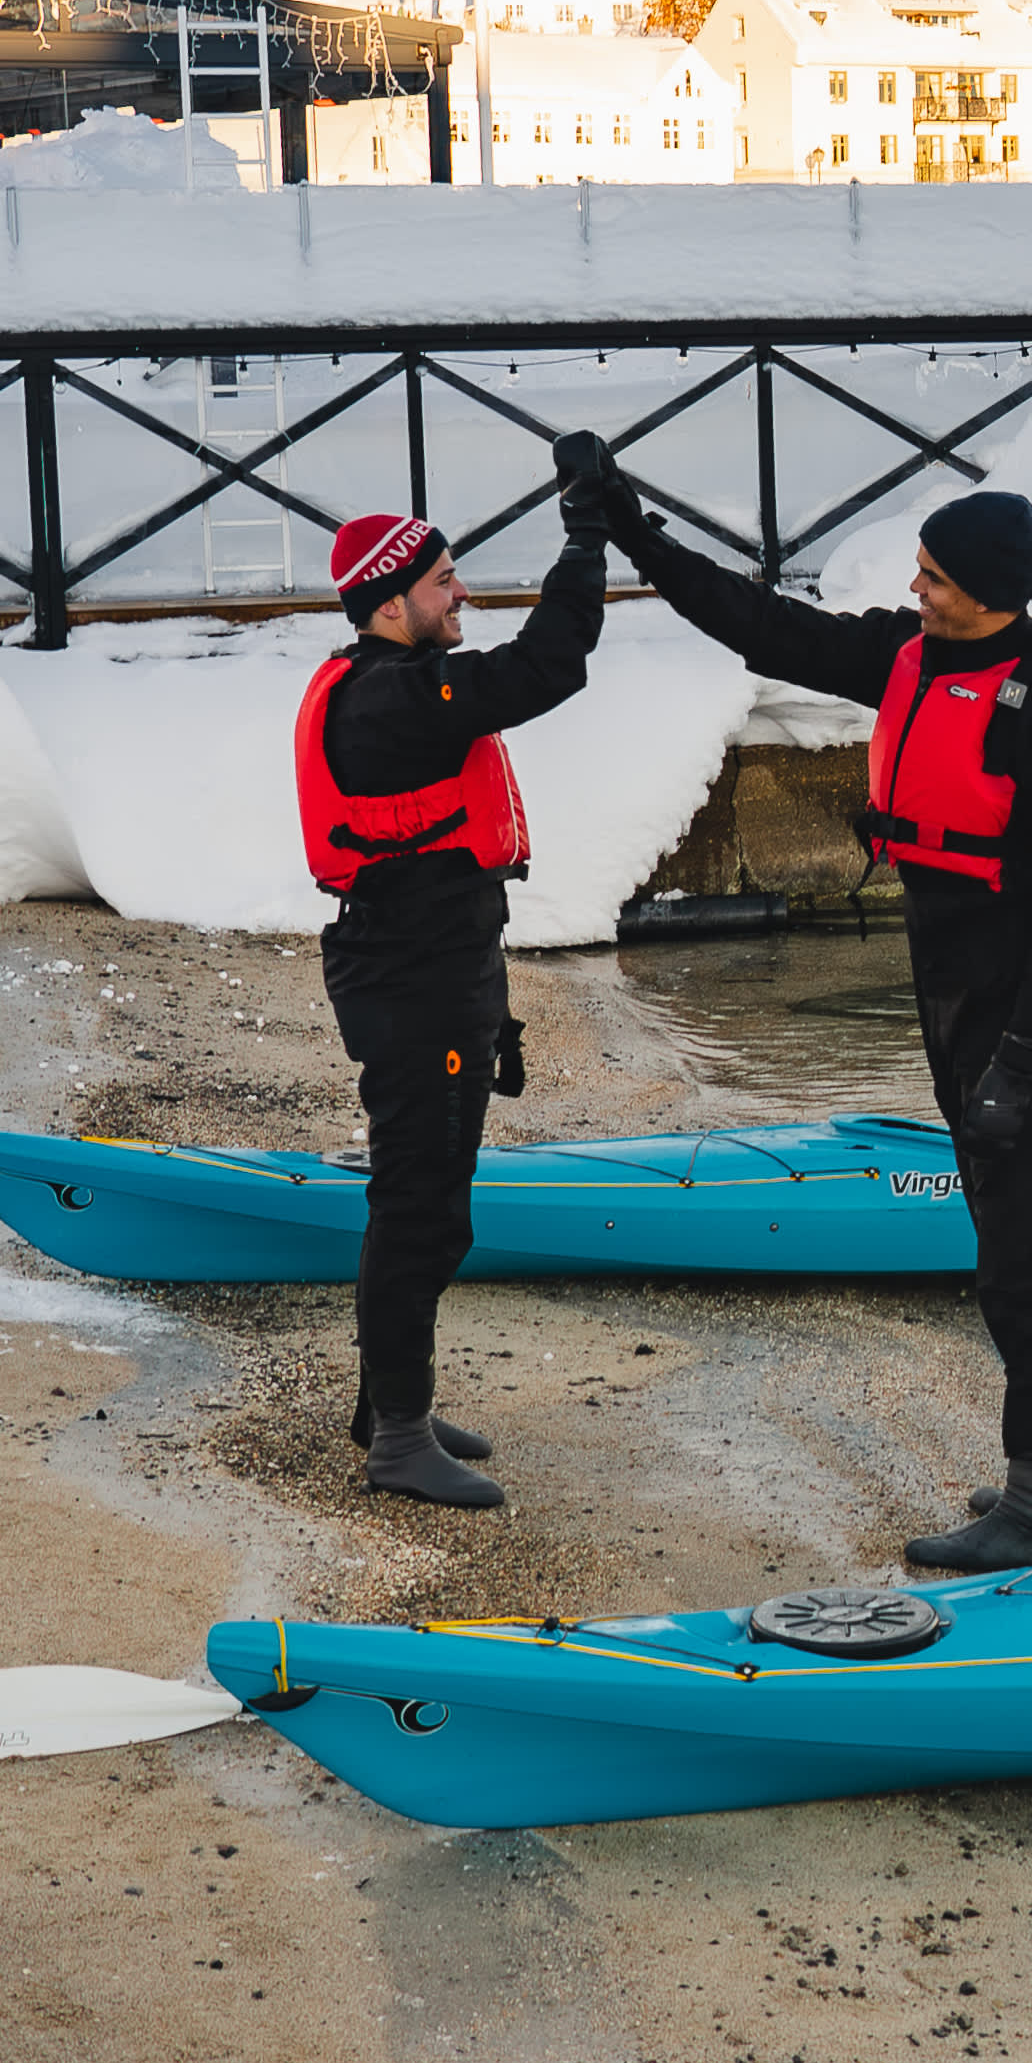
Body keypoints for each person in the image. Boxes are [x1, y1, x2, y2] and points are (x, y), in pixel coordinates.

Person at [560, 444, 1032, 1569]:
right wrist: (634, 530)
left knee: (1022, 1252)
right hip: (956, 994)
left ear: (988, 590)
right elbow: (759, 624)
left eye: (931, 576)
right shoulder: (909, 657)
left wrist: (1021, 1061)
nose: (911, 590)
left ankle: (1029, 1503)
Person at [298, 504, 602, 1508]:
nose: (459, 592)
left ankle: (391, 1405)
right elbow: (542, 670)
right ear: (390, 607)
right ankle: (394, 1438)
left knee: (434, 1207)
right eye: (441, 582)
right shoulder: (387, 701)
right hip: (410, 981)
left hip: (434, 967)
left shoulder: (395, 687)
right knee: (420, 1212)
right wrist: (584, 545)